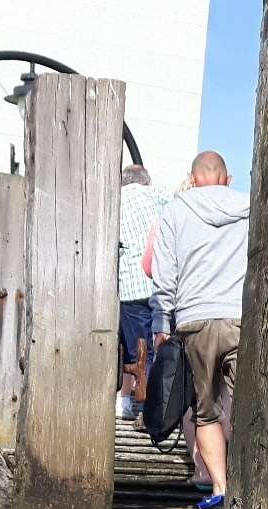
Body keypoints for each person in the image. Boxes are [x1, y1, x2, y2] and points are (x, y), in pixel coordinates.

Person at [150, 151, 250, 509]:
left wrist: (161, 322)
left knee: (204, 410)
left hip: (194, 319)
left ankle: (221, 487)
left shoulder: (176, 210)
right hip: (242, 317)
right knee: (245, 406)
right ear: (226, 178)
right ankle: (248, 483)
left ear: (193, 179)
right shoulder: (250, 207)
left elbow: (165, 274)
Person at [116, 164, 168, 420]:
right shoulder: (157, 195)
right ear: (147, 181)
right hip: (160, 284)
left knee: (132, 348)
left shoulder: (115, 199)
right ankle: (153, 408)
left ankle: (130, 404)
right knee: (158, 346)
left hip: (129, 286)